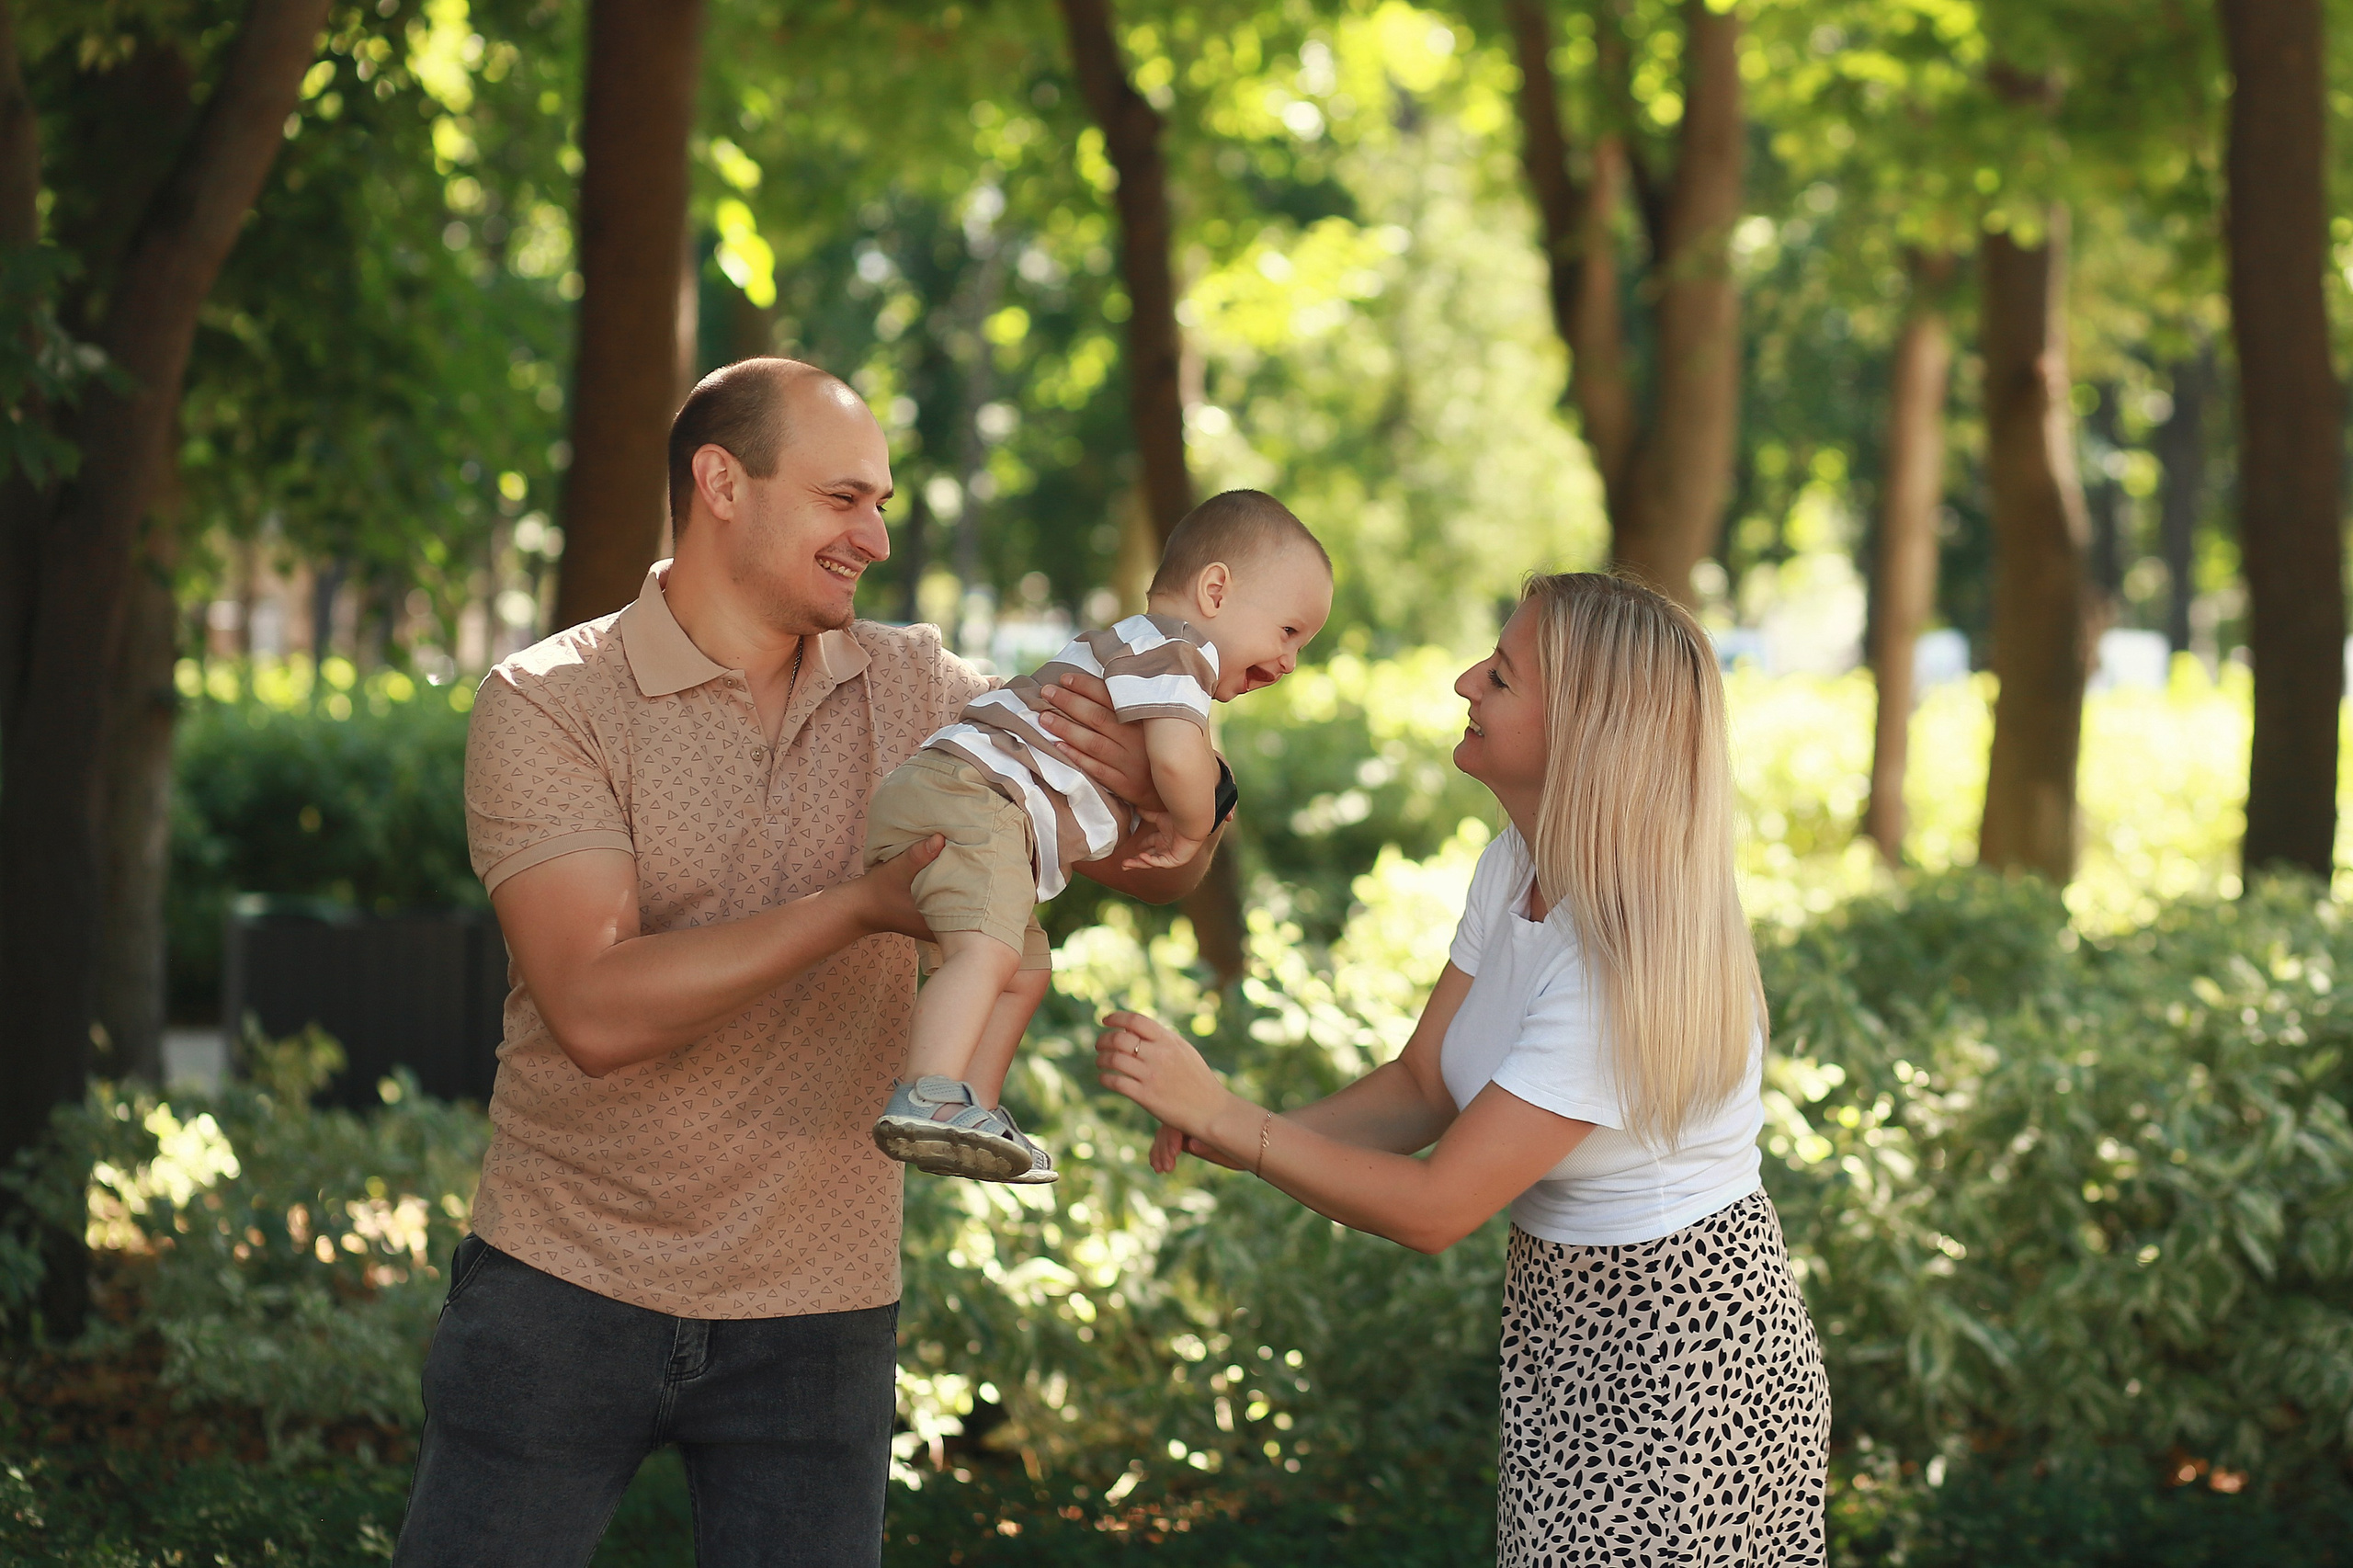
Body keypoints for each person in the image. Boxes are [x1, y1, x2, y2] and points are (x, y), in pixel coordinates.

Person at [392, 358, 1223, 1568]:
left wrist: (1198, 799)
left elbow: (1158, 855)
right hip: (563, 1282)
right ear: (721, 483)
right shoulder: (551, 700)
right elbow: (595, 1008)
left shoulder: (924, 688)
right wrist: (859, 907)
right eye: (845, 500)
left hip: (821, 1307)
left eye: (882, 501)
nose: (876, 537)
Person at [1093, 573, 1832, 1565]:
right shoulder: (1517, 865)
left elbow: (1437, 1206)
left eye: (1500, 674)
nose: (1461, 683)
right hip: (1571, 1323)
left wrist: (1233, 1119)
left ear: (1585, 727)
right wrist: (1238, 1128)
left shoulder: (1621, 958)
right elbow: (1424, 1086)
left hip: (1684, 1351)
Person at [865, 491, 1331, 1185]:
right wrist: (1192, 823)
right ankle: (930, 1091)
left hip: (972, 806)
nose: (1291, 660)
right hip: (972, 797)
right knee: (990, 954)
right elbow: (1176, 760)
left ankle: (976, 1113)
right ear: (1216, 589)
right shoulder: (1179, 653)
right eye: (1290, 631)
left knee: (1023, 969)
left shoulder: (1141, 649)